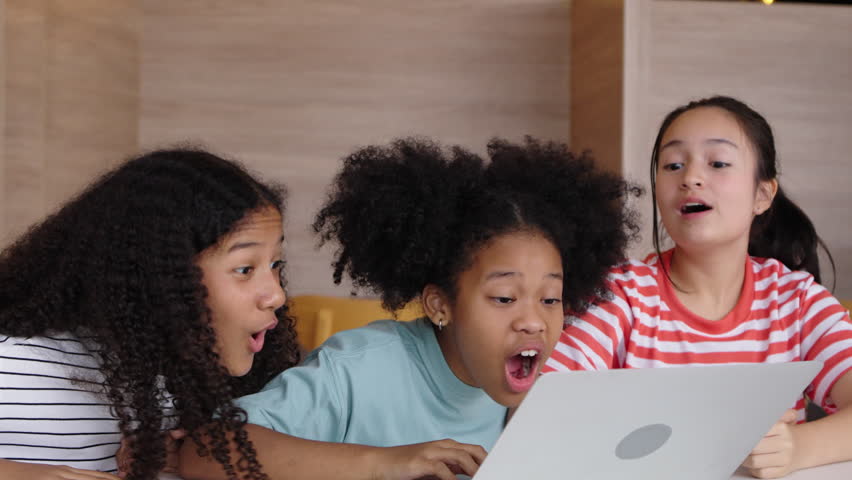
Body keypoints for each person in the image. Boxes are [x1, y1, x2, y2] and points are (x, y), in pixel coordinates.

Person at [180, 136, 642, 479]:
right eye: (504, 298)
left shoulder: (548, 394)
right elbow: (203, 449)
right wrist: (385, 462)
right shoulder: (358, 368)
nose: (532, 321)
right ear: (440, 304)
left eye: (550, 300)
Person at [544, 96, 852, 478]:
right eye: (673, 165)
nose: (689, 177)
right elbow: (545, 411)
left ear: (762, 195)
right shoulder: (621, 295)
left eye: (718, 163)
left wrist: (797, 449)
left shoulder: (797, 300)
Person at [0, 149, 300, 480]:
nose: (276, 295)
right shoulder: (13, 365)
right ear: (157, 277)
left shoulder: (202, 387)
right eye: (245, 269)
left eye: (275, 265)